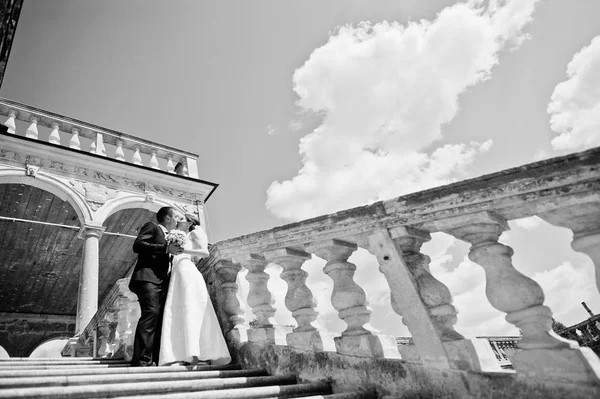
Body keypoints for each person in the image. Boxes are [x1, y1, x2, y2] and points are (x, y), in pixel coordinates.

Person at [159, 214, 231, 366]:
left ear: (190, 222)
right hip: (176, 274)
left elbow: (204, 252)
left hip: (188, 272)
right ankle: (183, 355)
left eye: (182, 218)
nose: (178, 220)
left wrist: (182, 250)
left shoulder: (195, 232)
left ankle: (197, 355)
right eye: (177, 218)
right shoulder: (177, 235)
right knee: (178, 311)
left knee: (192, 309)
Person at [128, 206, 183, 367]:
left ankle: (155, 358)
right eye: (176, 217)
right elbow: (138, 245)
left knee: (159, 318)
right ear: (167, 218)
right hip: (147, 279)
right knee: (151, 313)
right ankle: (141, 361)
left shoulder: (170, 236)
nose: (178, 220)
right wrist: (166, 249)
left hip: (162, 283)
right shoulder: (152, 227)